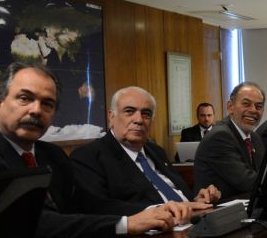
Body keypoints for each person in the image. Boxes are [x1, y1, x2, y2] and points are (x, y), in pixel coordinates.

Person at [0, 63, 181, 238]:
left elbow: (90, 205)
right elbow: (32, 225)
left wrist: (154, 211)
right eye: (25, 98)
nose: (36, 110)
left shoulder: (52, 155)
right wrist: (125, 224)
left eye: (47, 104)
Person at [71, 86, 221, 210]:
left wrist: (195, 200)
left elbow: (177, 193)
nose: (139, 120)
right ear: (111, 117)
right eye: (129, 111)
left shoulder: (156, 151)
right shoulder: (89, 157)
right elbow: (98, 209)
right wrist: (158, 210)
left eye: (146, 114)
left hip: (191, 221)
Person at [193, 81, 266, 198]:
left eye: (259, 106)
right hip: (218, 211)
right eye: (246, 104)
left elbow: (264, 173)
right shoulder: (220, 136)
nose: (253, 110)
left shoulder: (254, 137)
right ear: (230, 107)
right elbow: (247, 182)